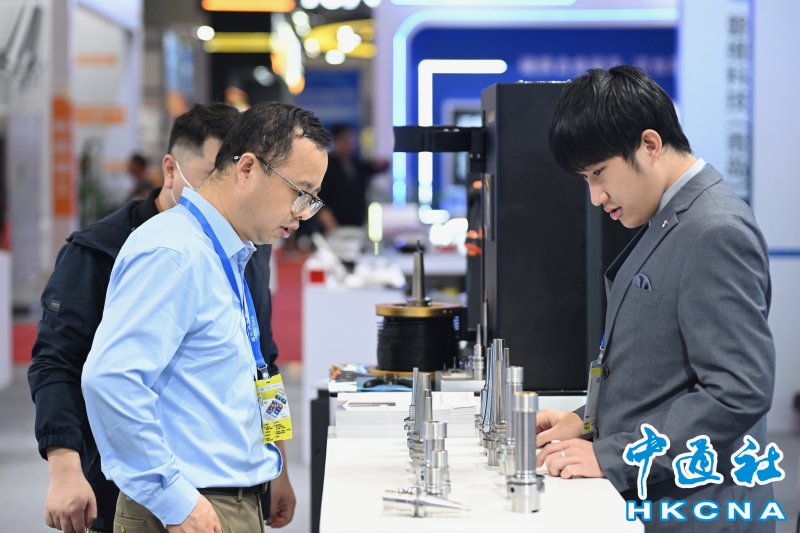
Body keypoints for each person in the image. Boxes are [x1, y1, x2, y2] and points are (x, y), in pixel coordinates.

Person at [27, 103, 295, 533]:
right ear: (171, 170)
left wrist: (278, 462)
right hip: (131, 481)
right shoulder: (106, 249)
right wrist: (64, 467)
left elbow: (261, 359)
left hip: (231, 483)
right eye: (211, 173)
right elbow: (61, 363)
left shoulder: (244, 248)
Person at [536, 66, 775, 532]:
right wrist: (587, 422)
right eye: (585, 178)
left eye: (598, 172)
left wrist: (613, 455)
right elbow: (660, 374)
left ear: (649, 144)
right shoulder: (671, 216)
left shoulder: (714, 230)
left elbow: (738, 391)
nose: (595, 196)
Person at [315, 124, 388, 232]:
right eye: (347, 140)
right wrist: (333, 228)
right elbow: (321, 200)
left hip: (357, 226)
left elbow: (376, 167)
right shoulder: (326, 166)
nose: (351, 144)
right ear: (337, 140)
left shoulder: (355, 164)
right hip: (335, 228)